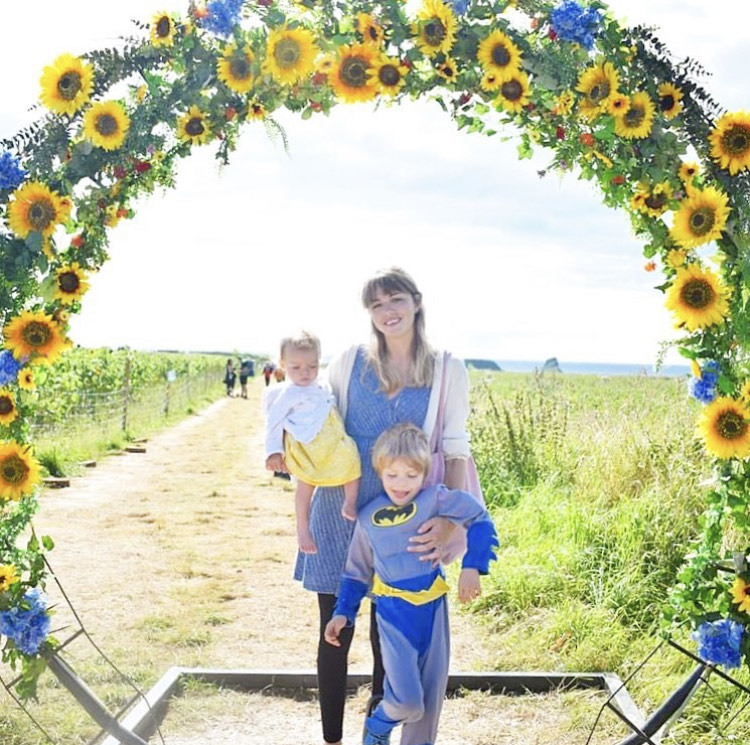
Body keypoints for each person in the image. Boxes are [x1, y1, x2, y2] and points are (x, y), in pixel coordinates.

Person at [293, 267, 474, 745]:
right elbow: (318, 426)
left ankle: (377, 735)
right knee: (335, 625)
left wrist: (450, 521)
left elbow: (455, 450)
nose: (387, 312)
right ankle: (331, 737)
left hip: (403, 518)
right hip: (342, 509)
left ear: (416, 302)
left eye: (395, 300)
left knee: (389, 639)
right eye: (376, 305)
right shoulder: (350, 361)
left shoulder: (447, 368)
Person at [325, 423, 497, 745]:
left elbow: (479, 517)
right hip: (394, 617)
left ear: (425, 473)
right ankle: (378, 724)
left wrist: (472, 566)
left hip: (433, 613)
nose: (401, 484)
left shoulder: (437, 499)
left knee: (429, 708)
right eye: (392, 475)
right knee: (408, 702)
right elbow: (356, 571)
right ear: (379, 472)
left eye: (411, 475)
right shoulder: (368, 517)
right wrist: (342, 613)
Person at [263, 332, 362, 554]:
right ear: (282, 365)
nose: (305, 372)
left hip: (331, 441)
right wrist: (273, 452)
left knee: (352, 461)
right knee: (305, 485)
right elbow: (273, 422)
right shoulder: (287, 394)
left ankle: (350, 501)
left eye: (312, 366)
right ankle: (302, 529)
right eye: (296, 367)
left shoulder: (321, 383)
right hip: (306, 444)